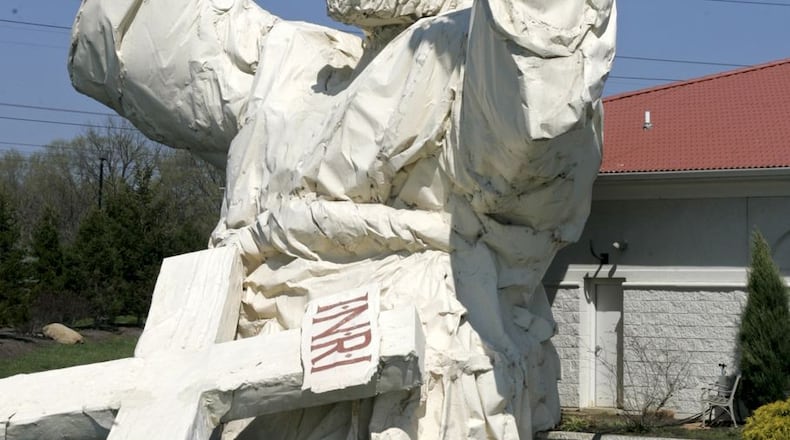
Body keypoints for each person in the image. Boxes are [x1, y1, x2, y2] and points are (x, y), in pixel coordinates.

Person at [69, 0, 616, 438]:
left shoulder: (471, 54)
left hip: (402, 387)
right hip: (241, 379)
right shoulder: (296, 60)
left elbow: (534, 106)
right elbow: (139, 40)